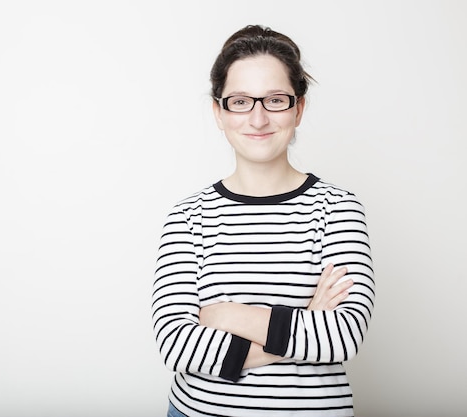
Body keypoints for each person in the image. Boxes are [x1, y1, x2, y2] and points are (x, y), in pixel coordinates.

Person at [151, 25, 375, 417]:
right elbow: (175, 344)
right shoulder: (188, 217)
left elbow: (343, 337)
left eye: (275, 100)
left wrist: (227, 315)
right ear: (219, 113)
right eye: (239, 102)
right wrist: (304, 323)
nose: (257, 119)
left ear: (298, 109)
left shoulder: (338, 208)